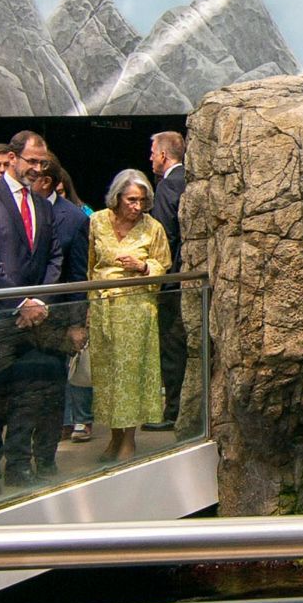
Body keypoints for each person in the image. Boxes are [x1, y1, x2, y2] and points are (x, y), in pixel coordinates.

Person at [0, 130, 62, 491]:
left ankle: (18, 464)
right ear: (13, 158)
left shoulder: (43, 205)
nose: (37, 168)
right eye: (31, 161)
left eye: (43, 162)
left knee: (27, 396)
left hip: (34, 321)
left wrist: (39, 302)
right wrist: (20, 302)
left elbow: (54, 256)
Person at [87, 169, 171, 462]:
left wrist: (143, 266)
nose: (136, 207)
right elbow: (91, 264)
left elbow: (164, 265)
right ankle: (113, 437)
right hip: (103, 310)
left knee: (131, 375)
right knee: (108, 374)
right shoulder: (97, 221)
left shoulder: (153, 227)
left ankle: (129, 440)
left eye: (142, 200)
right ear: (118, 197)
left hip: (136, 310)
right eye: (131, 200)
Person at [29, 155, 90, 473]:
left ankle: (45, 457)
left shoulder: (74, 218)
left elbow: (78, 275)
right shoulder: (19, 210)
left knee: (52, 391)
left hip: (57, 320)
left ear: (46, 182)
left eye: (31, 178)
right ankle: (17, 458)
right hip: (19, 317)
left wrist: (78, 323)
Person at [148, 130, 188, 430]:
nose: (150, 158)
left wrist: (161, 276)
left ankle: (173, 411)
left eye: (152, 152)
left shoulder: (167, 187)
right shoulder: (191, 180)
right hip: (189, 279)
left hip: (174, 281)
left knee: (173, 348)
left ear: (163, 155)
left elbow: (165, 236)